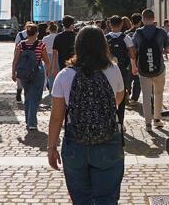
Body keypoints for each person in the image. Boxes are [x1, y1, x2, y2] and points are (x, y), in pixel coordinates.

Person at [48, 26, 125, 204]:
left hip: (75, 142)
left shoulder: (64, 75)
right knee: (107, 198)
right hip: (108, 139)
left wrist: (51, 147)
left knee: (81, 199)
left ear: (78, 46)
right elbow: (117, 101)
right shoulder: (113, 70)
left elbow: (56, 117)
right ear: (103, 45)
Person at [133, 9, 169, 129]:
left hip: (143, 69)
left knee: (146, 95)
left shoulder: (138, 33)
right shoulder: (161, 32)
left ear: (143, 19)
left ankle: (147, 123)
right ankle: (157, 119)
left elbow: (133, 51)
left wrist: (134, 65)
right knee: (158, 94)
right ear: (154, 18)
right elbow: (168, 50)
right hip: (159, 68)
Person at [11, 22, 50, 130]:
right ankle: (32, 122)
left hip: (23, 74)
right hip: (37, 72)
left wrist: (13, 73)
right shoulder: (40, 44)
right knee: (35, 97)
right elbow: (46, 61)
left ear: (27, 33)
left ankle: (29, 120)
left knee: (28, 96)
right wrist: (48, 72)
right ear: (37, 33)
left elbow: (15, 60)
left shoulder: (21, 45)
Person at [105, 15, 138, 131]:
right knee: (122, 96)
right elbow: (132, 54)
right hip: (122, 70)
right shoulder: (126, 38)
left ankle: (109, 121)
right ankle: (120, 121)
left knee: (107, 95)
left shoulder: (105, 38)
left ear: (110, 24)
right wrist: (134, 67)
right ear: (121, 25)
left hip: (107, 70)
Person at [126, 13, 142, 106]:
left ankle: (127, 93)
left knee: (128, 78)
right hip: (139, 59)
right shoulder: (141, 33)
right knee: (137, 80)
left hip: (128, 59)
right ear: (140, 21)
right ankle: (134, 98)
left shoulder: (127, 33)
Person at [42, 22, 59, 93]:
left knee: (49, 74)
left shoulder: (45, 38)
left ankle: (51, 90)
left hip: (47, 56)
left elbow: (42, 48)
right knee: (57, 73)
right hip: (57, 56)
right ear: (56, 29)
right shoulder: (58, 37)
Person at [14, 25, 29, 103]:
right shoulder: (33, 35)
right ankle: (21, 94)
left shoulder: (20, 35)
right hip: (28, 60)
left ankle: (19, 93)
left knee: (19, 77)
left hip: (20, 58)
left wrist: (15, 59)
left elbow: (16, 47)